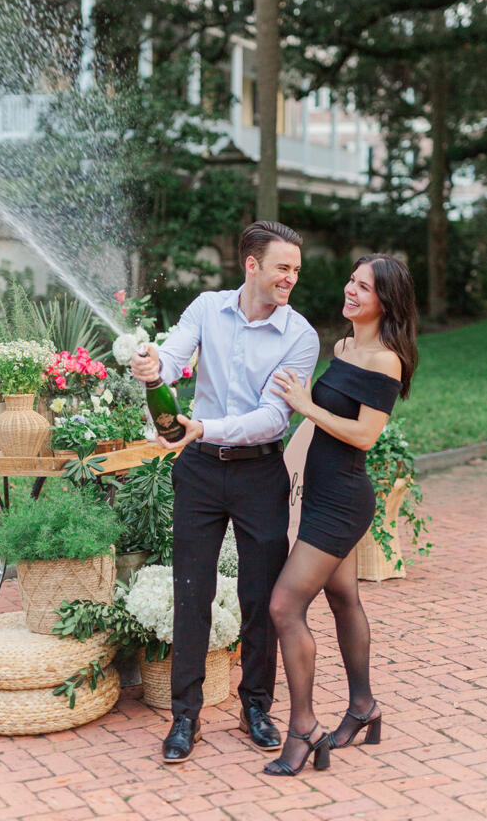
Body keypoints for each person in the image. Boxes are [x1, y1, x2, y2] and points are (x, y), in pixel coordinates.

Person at [130, 221, 320, 764]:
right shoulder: (208, 309)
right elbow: (171, 359)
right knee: (192, 593)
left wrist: (204, 427)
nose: (291, 278)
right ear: (252, 265)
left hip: (260, 473)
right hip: (199, 471)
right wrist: (151, 367)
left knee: (260, 597)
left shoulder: (299, 336)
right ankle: (184, 716)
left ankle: (256, 705)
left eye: (296, 270)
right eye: (283, 267)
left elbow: (269, 420)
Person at [263, 253, 418, 777]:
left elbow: (364, 435)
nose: (350, 291)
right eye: (352, 281)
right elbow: (321, 426)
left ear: (385, 301)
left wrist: (305, 405)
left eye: (364, 288)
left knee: (285, 605)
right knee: (343, 595)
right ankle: (363, 707)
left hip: (344, 501)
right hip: (322, 493)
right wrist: (291, 460)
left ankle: (303, 729)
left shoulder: (385, 361)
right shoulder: (345, 346)